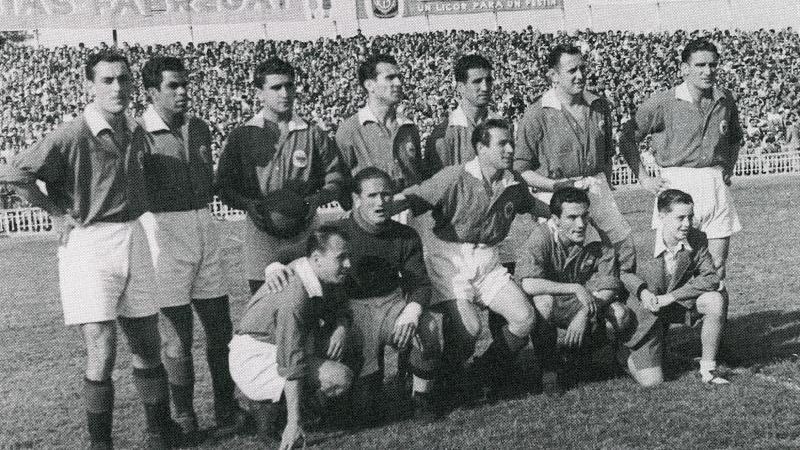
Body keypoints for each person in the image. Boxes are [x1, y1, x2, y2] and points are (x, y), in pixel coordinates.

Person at [0, 51, 180, 448]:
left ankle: (159, 433)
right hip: (89, 243)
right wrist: (55, 212)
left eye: (123, 79)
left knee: (147, 342)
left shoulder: (135, 130)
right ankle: (101, 443)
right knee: (102, 347)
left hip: (132, 235)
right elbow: (14, 173)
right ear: (89, 86)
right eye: (107, 80)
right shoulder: (71, 133)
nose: (118, 88)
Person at [262, 167, 443, 423]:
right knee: (363, 410)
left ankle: (420, 397)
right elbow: (285, 255)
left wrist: (412, 312)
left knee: (429, 327)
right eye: (372, 196)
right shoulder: (337, 231)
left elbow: (421, 284)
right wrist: (273, 267)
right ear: (357, 199)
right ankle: (304, 404)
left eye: (386, 194)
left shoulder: (405, 234)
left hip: (391, 304)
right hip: (352, 312)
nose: (381, 202)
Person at [393, 118, 543, 395]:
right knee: (469, 330)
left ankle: (481, 373)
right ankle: (439, 381)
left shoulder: (512, 181)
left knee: (524, 318)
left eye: (511, 142)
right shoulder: (454, 176)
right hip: (450, 259)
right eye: (502, 144)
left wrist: (562, 209)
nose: (510, 149)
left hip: (487, 260)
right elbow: (415, 197)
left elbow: (532, 204)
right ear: (481, 148)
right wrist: (375, 206)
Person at [137, 56, 243, 438]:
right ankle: (184, 415)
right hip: (164, 230)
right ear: (152, 91)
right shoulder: (139, 133)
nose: (183, 92)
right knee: (178, 334)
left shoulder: (198, 128)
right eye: (172, 87)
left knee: (220, 328)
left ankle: (227, 408)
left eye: (185, 85)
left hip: (204, 224)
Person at [620, 38, 743, 286]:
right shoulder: (663, 102)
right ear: (684, 68)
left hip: (714, 183)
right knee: (672, 266)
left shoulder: (725, 99)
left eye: (712, 65)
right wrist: (644, 178)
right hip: (677, 183)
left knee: (717, 266)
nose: (707, 71)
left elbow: (734, 138)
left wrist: (727, 168)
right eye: (700, 65)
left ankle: (711, 320)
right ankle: (668, 318)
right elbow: (627, 137)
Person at [516, 188, 664, 392]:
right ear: (556, 219)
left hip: (590, 303)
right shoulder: (541, 237)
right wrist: (575, 288)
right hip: (558, 302)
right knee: (542, 302)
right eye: (572, 217)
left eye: (585, 216)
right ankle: (549, 369)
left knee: (620, 314)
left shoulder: (599, 238)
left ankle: (607, 354)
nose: (580, 224)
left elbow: (610, 286)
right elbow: (528, 283)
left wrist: (584, 313)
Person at [216, 57, 344, 294]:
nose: (285, 93)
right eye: (276, 87)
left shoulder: (313, 134)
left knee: (315, 296)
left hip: (305, 228)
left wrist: (314, 201)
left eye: (289, 86)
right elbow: (223, 186)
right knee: (264, 299)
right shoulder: (241, 136)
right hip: (261, 229)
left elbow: (335, 177)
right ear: (259, 93)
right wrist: (248, 204)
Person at [228, 224, 355, 449]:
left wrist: (342, 327)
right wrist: (293, 423)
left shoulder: (314, 271)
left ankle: (279, 407)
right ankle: (269, 413)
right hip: (256, 356)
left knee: (351, 341)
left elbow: (339, 304)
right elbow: (291, 361)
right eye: (341, 258)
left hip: (277, 346)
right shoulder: (295, 294)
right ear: (316, 258)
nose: (348, 264)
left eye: (349, 256)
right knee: (339, 378)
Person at [515, 43, 637, 273]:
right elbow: (521, 169)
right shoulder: (537, 113)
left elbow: (607, 154)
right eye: (572, 71)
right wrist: (556, 186)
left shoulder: (599, 106)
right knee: (564, 261)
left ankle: (619, 301)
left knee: (623, 247)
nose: (580, 76)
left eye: (583, 68)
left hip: (595, 188)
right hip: (557, 195)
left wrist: (604, 186)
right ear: (553, 75)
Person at [622, 189, 729, 385]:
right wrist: (643, 291)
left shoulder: (697, 238)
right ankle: (625, 355)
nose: (687, 224)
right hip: (647, 311)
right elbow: (623, 273)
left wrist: (671, 297)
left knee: (715, 299)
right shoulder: (638, 240)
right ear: (662, 216)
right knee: (652, 382)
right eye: (680, 218)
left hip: (674, 305)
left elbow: (711, 278)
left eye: (690, 217)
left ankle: (708, 370)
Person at [335, 53, 426, 192]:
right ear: (370, 85)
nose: (398, 83)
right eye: (390, 78)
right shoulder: (350, 131)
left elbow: (418, 174)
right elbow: (341, 183)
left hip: (411, 210)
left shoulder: (408, 127)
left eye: (399, 77)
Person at [424, 54, 501, 174]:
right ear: (460, 87)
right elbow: (439, 186)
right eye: (477, 81)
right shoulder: (443, 135)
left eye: (488, 80)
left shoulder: (501, 125)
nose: (485, 87)